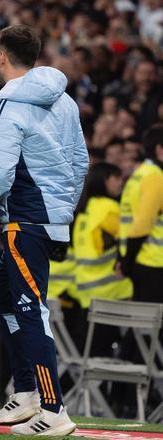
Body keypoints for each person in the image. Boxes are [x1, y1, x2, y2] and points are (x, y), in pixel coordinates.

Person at [0, 25, 88, 436]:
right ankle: (25, 393)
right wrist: (62, 210)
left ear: (1, 56)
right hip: (48, 217)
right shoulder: (65, 101)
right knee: (2, 299)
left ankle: (53, 408)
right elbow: (81, 161)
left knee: (31, 310)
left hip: (25, 219)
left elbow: (0, 171)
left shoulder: (7, 104)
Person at [71, 162, 131, 353]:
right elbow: (129, 238)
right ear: (105, 180)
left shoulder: (85, 210)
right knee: (105, 351)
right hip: (110, 292)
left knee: (89, 351)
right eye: (116, 177)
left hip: (86, 292)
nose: (121, 182)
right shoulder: (109, 208)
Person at [118, 123, 163, 302]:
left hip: (141, 260)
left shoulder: (139, 175)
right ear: (159, 150)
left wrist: (125, 259)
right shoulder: (155, 177)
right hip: (154, 262)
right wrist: (127, 262)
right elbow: (143, 224)